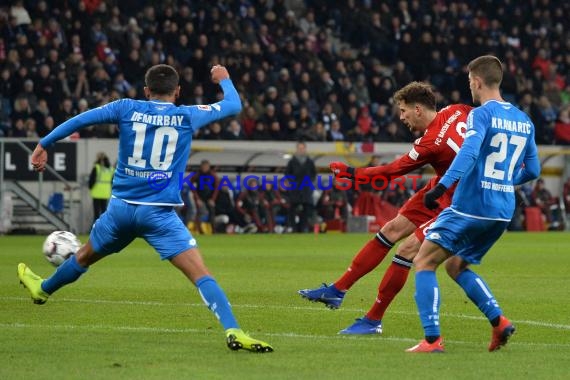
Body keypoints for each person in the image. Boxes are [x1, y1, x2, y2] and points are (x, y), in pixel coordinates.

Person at [18, 64, 273, 353]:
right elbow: (233, 105)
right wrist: (224, 79)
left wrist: (43, 144)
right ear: (177, 92)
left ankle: (43, 289)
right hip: (158, 215)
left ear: (146, 91)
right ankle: (234, 330)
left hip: (120, 212)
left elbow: (80, 120)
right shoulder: (187, 114)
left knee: (84, 257)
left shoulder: (125, 107)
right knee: (201, 274)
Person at [298, 82, 472, 335]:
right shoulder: (458, 110)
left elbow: (389, 172)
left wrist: (350, 173)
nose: (401, 117)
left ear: (418, 109)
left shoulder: (430, 143)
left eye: (403, 111)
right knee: (391, 229)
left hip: (461, 201)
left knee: (408, 249)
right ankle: (338, 290)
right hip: (440, 189)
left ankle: (373, 320)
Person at [407, 55, 540, 353]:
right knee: (456, 265)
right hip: (502, 211)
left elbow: (466, 155)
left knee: (424, 261)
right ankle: (499, 322)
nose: (470, 87)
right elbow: (533, 170)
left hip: (471, 205)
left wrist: (440, 186)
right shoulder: (524, 120)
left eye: (469, 82)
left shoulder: (480, 115)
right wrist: (504, 180)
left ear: (477, 81)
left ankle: (432, 340)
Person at [285, 141, 317, 232]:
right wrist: (292, 182)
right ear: (297, 149)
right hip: (295, 189)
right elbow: (287, 174)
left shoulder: (309, 162)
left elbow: (313, 174)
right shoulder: (292, 161)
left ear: (305, 149)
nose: (301, 150)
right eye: (299, 148)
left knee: (306, 210)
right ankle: (294, 228)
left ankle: (303, 227)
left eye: (302, 148)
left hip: (306, 189)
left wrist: (309, 181)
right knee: (293, 209)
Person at [88, 152, 114, 224]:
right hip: (106, 193)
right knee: (104, 212)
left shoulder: (97, 167)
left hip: (96, 193)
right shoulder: (111, 169)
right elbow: (113, 181)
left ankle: (96, 228)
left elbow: (92, 180)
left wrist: (90, 187)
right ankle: (104, 228)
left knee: (96, 213)